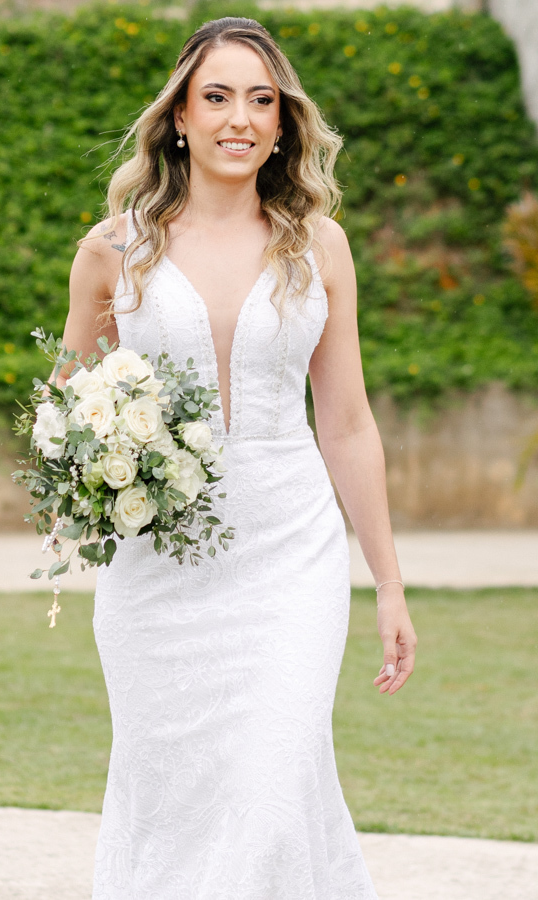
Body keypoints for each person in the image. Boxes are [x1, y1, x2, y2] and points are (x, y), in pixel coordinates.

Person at [58, 16, 417, 899]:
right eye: (216, 96)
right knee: (171, 794)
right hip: (158, 570)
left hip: (288, 556)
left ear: (284, 123)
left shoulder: (319, 247)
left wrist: (390, 585)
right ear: (179, 115)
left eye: (262, 100)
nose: (240, 118)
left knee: (273, 781)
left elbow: (347, 424)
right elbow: (69, 401)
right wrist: (99, 456)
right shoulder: (114, 249)